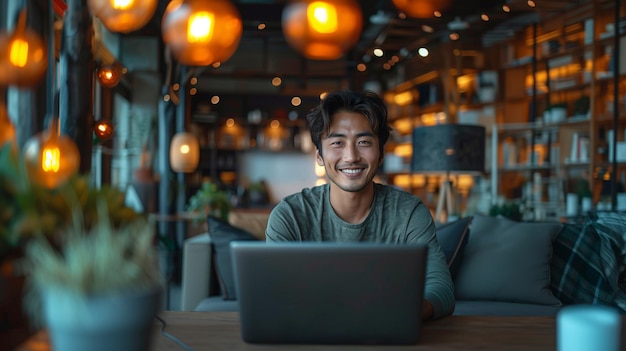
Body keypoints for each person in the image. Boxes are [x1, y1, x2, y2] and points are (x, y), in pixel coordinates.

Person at [265, 89, 455, 320]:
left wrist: (400, 314)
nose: (351, 156)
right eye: (337, 143)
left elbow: (441, 289)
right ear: (319, 156)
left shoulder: (409, 213)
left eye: (364, 142)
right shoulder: (289, 216)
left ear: (381, 153)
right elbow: (275, 292)